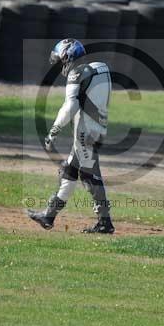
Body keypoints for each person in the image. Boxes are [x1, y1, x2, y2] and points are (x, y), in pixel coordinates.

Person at [27, 38, 115, 234]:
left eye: (60, 60)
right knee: (69, 170)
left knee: (89, 174)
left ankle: (105, 223)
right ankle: (48, 216)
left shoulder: (77, 74)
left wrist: (54, 130)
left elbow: (70, 106)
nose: (59, 65)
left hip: (85, 131)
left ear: (67, 57)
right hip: (99, 127)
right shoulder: (101, 67)